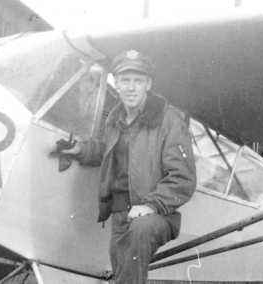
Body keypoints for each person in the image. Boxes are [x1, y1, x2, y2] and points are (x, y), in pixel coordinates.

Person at [62, 50, 196, 284]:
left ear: (148, 85)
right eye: (125, 81)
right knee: (122, 274)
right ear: (117, 83)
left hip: (157, 215)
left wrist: (151, 205)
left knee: (139, 237)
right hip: (120, 213)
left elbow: (183, 178)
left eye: (138, 81)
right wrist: (83, 151)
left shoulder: (169, 120)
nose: (131, 88)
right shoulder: (115, 119)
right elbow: (111, 151)